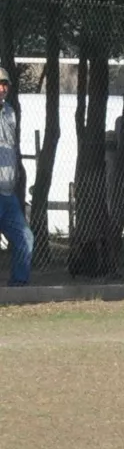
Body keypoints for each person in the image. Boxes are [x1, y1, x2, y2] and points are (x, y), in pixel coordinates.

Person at [0, 66, 33, 287]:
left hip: (7, 192)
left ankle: (18, 288)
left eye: (5, 84)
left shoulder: (9, 112)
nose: (3, 89)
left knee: (25, 238)